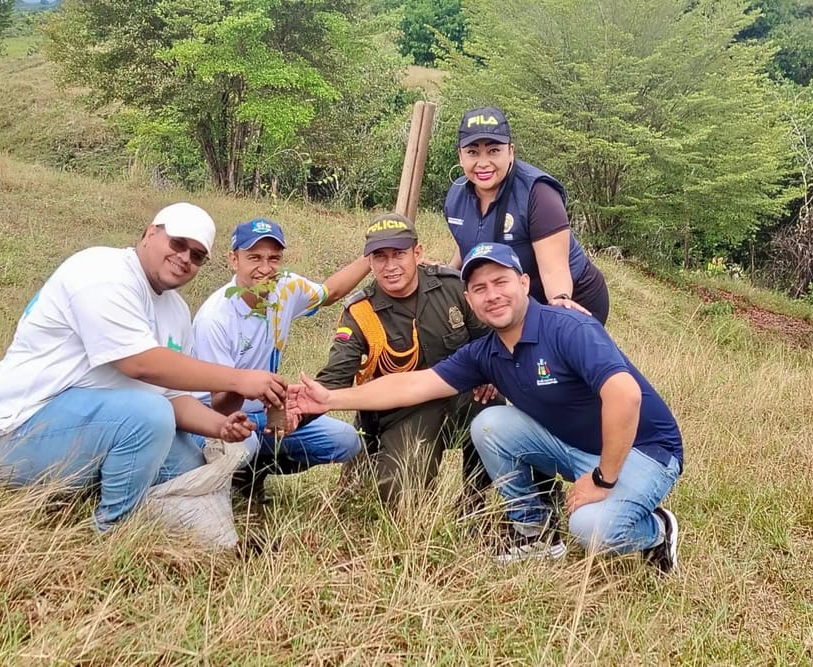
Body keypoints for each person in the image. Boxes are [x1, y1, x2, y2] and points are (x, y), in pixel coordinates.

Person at [289, 243, 683, 573]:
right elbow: (414, 385)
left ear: (525, 283)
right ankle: (533, 530)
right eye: (479, 288)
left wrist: (602, 478)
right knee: (491, 422)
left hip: (641, 451)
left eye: (501, 282)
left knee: (591, 529)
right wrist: (331, 398)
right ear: (469, 300)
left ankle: (657, 530)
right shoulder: (485, 353)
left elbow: (625, 396)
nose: (492, 294)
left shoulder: (567, 328)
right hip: (574, 448)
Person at [0, 202, 287, 533]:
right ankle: (110, 531)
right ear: (150, 233)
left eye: (196, 255)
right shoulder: (100, 270)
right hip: (19, 432)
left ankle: (105, 495)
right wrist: (240, 380)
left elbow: (172, 398)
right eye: (178, 244)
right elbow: (140, 364)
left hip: (95, 425)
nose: (185, 258)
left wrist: (221, 427)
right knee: (149, 416)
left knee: (194, 461)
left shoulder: (177, 311)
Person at [314, 213, 501, 510]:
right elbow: (335, 378)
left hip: (457, 398)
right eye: (380, 257)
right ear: (369, 263)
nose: (390, 267)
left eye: (399, 254)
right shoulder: (361, 312)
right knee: (399, 500)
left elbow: (486, 339)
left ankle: (473, 500)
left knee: (495, 410)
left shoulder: (452, 287)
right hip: (401, 413)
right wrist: (298, 410)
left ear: (418, 253)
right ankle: (368, 466)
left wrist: (492, 374)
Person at [191, 217, 369, 503]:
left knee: (345, 440)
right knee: (242, 445)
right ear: (233, 260)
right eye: (254, 257)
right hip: (210, 418)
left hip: (262, 413)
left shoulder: (286, 287)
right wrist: (249, 386)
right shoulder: (216, 318)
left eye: (274, 258)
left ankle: (253, 473)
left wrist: (373, 256)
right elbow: (220, 404)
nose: (265, 268)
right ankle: (216, 485)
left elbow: (330, 292)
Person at [444, 106, 610, 324]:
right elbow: (470, 236)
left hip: (573, 296)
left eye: (494, 151)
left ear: (510, 151)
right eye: (473, 152)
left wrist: (561, 302)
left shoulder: (539, 194)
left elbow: (555, 269)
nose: (483, 163)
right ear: (460, 155)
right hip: (511, 300)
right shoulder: (456, 195)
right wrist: (444, 273)